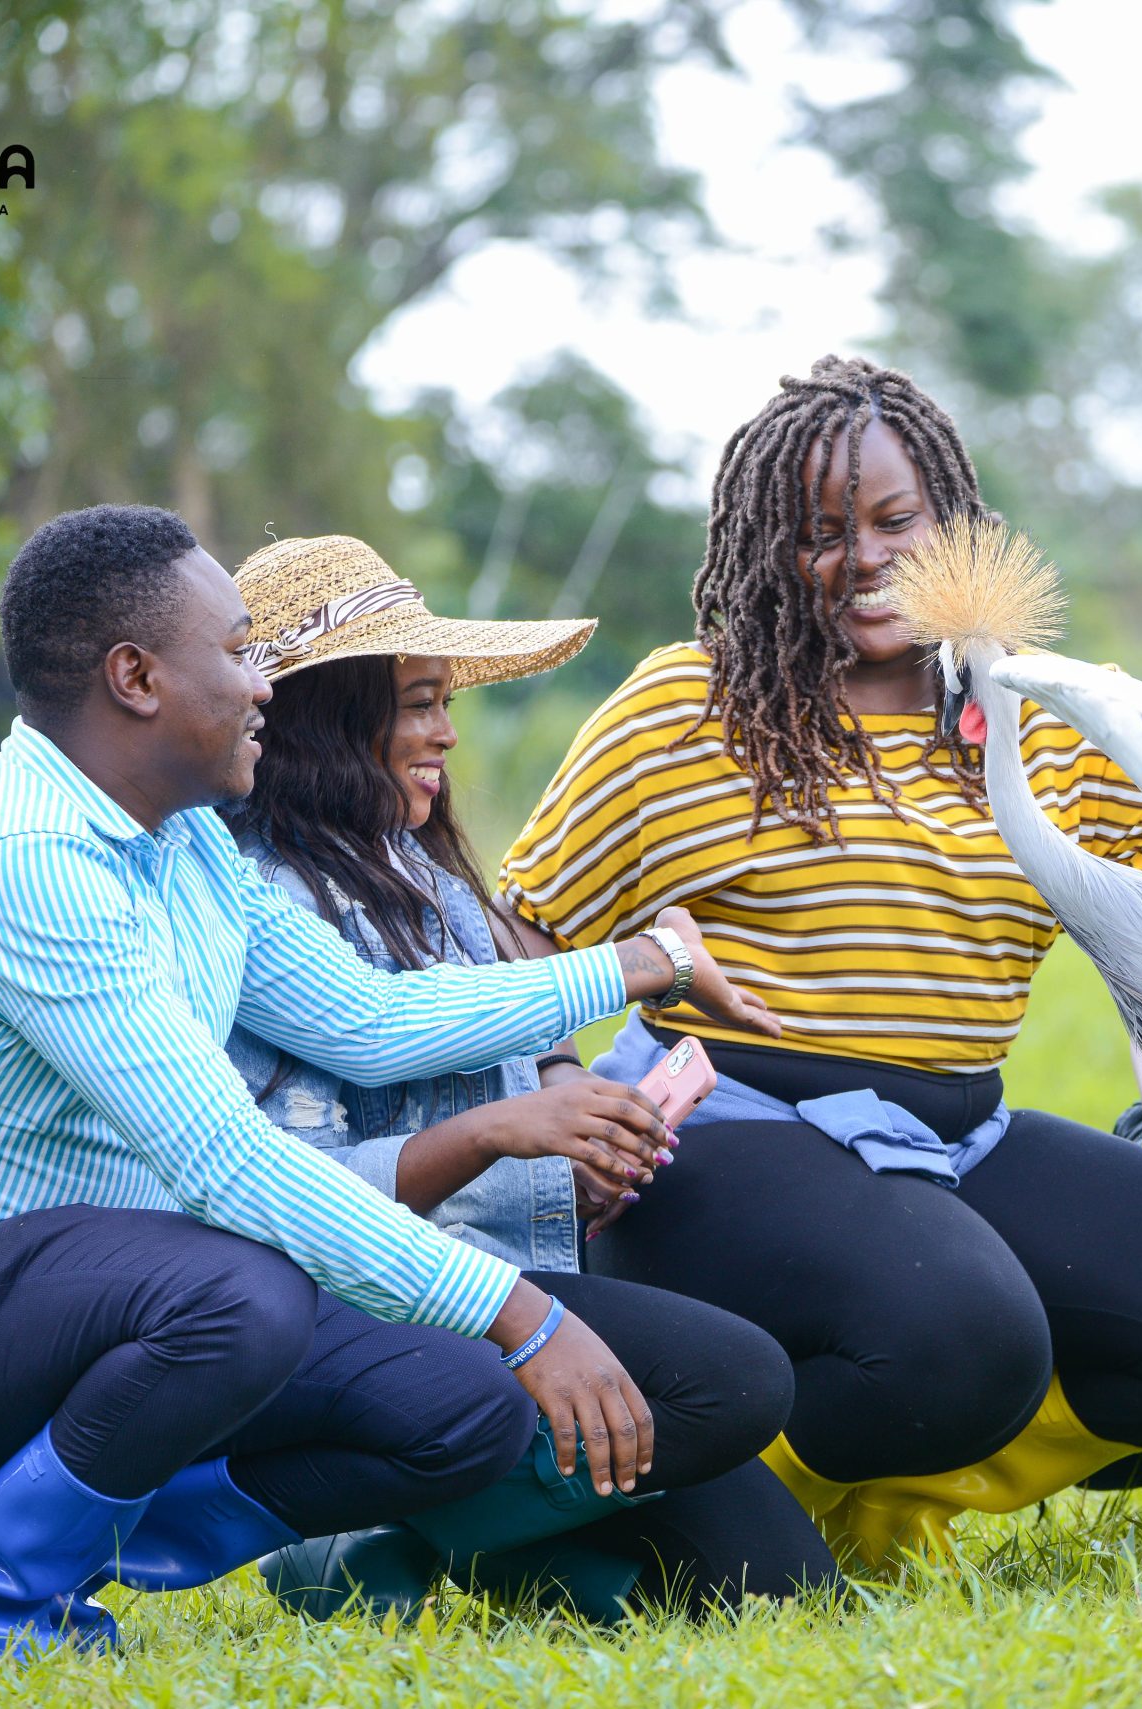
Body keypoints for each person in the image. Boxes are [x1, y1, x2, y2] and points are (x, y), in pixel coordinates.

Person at [0, 505, 771, 1661]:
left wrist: (635, 963)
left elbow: (368, 1021)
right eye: (236, 652)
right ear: (135, 677)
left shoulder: (184, 843)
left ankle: (97, 1539)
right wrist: (522, 1310)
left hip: (94, 1299)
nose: (262, 685)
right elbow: (226, 1162)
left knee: (465, 1403)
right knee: (247, 1287)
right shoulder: (31, 860)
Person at [499, 357, 1142, 1567]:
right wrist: (555, 1103)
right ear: (767, 548)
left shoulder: (1041, 720)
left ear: (955, 522)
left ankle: (891, 1505)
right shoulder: (685, 708)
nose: (865, 557)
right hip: (722, 1142)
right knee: (958, 1329)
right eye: (819, 533)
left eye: (897, 520)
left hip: (957, 1136)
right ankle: (667, 1495)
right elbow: (519, 926)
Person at [216, 532, 834, 1615]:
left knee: (778, 1587)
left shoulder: (420, 869)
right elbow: (297, 1203)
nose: (446, 732)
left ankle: (462, 1535)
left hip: (515, 1270)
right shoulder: (261, 901)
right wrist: (503, 1131)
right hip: (382, 1310)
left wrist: (573, 1131)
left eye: (445, 701)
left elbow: (509, 1031)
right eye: (418, 704)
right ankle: (348, 1518)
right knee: (736, 1381)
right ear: (325, 718)